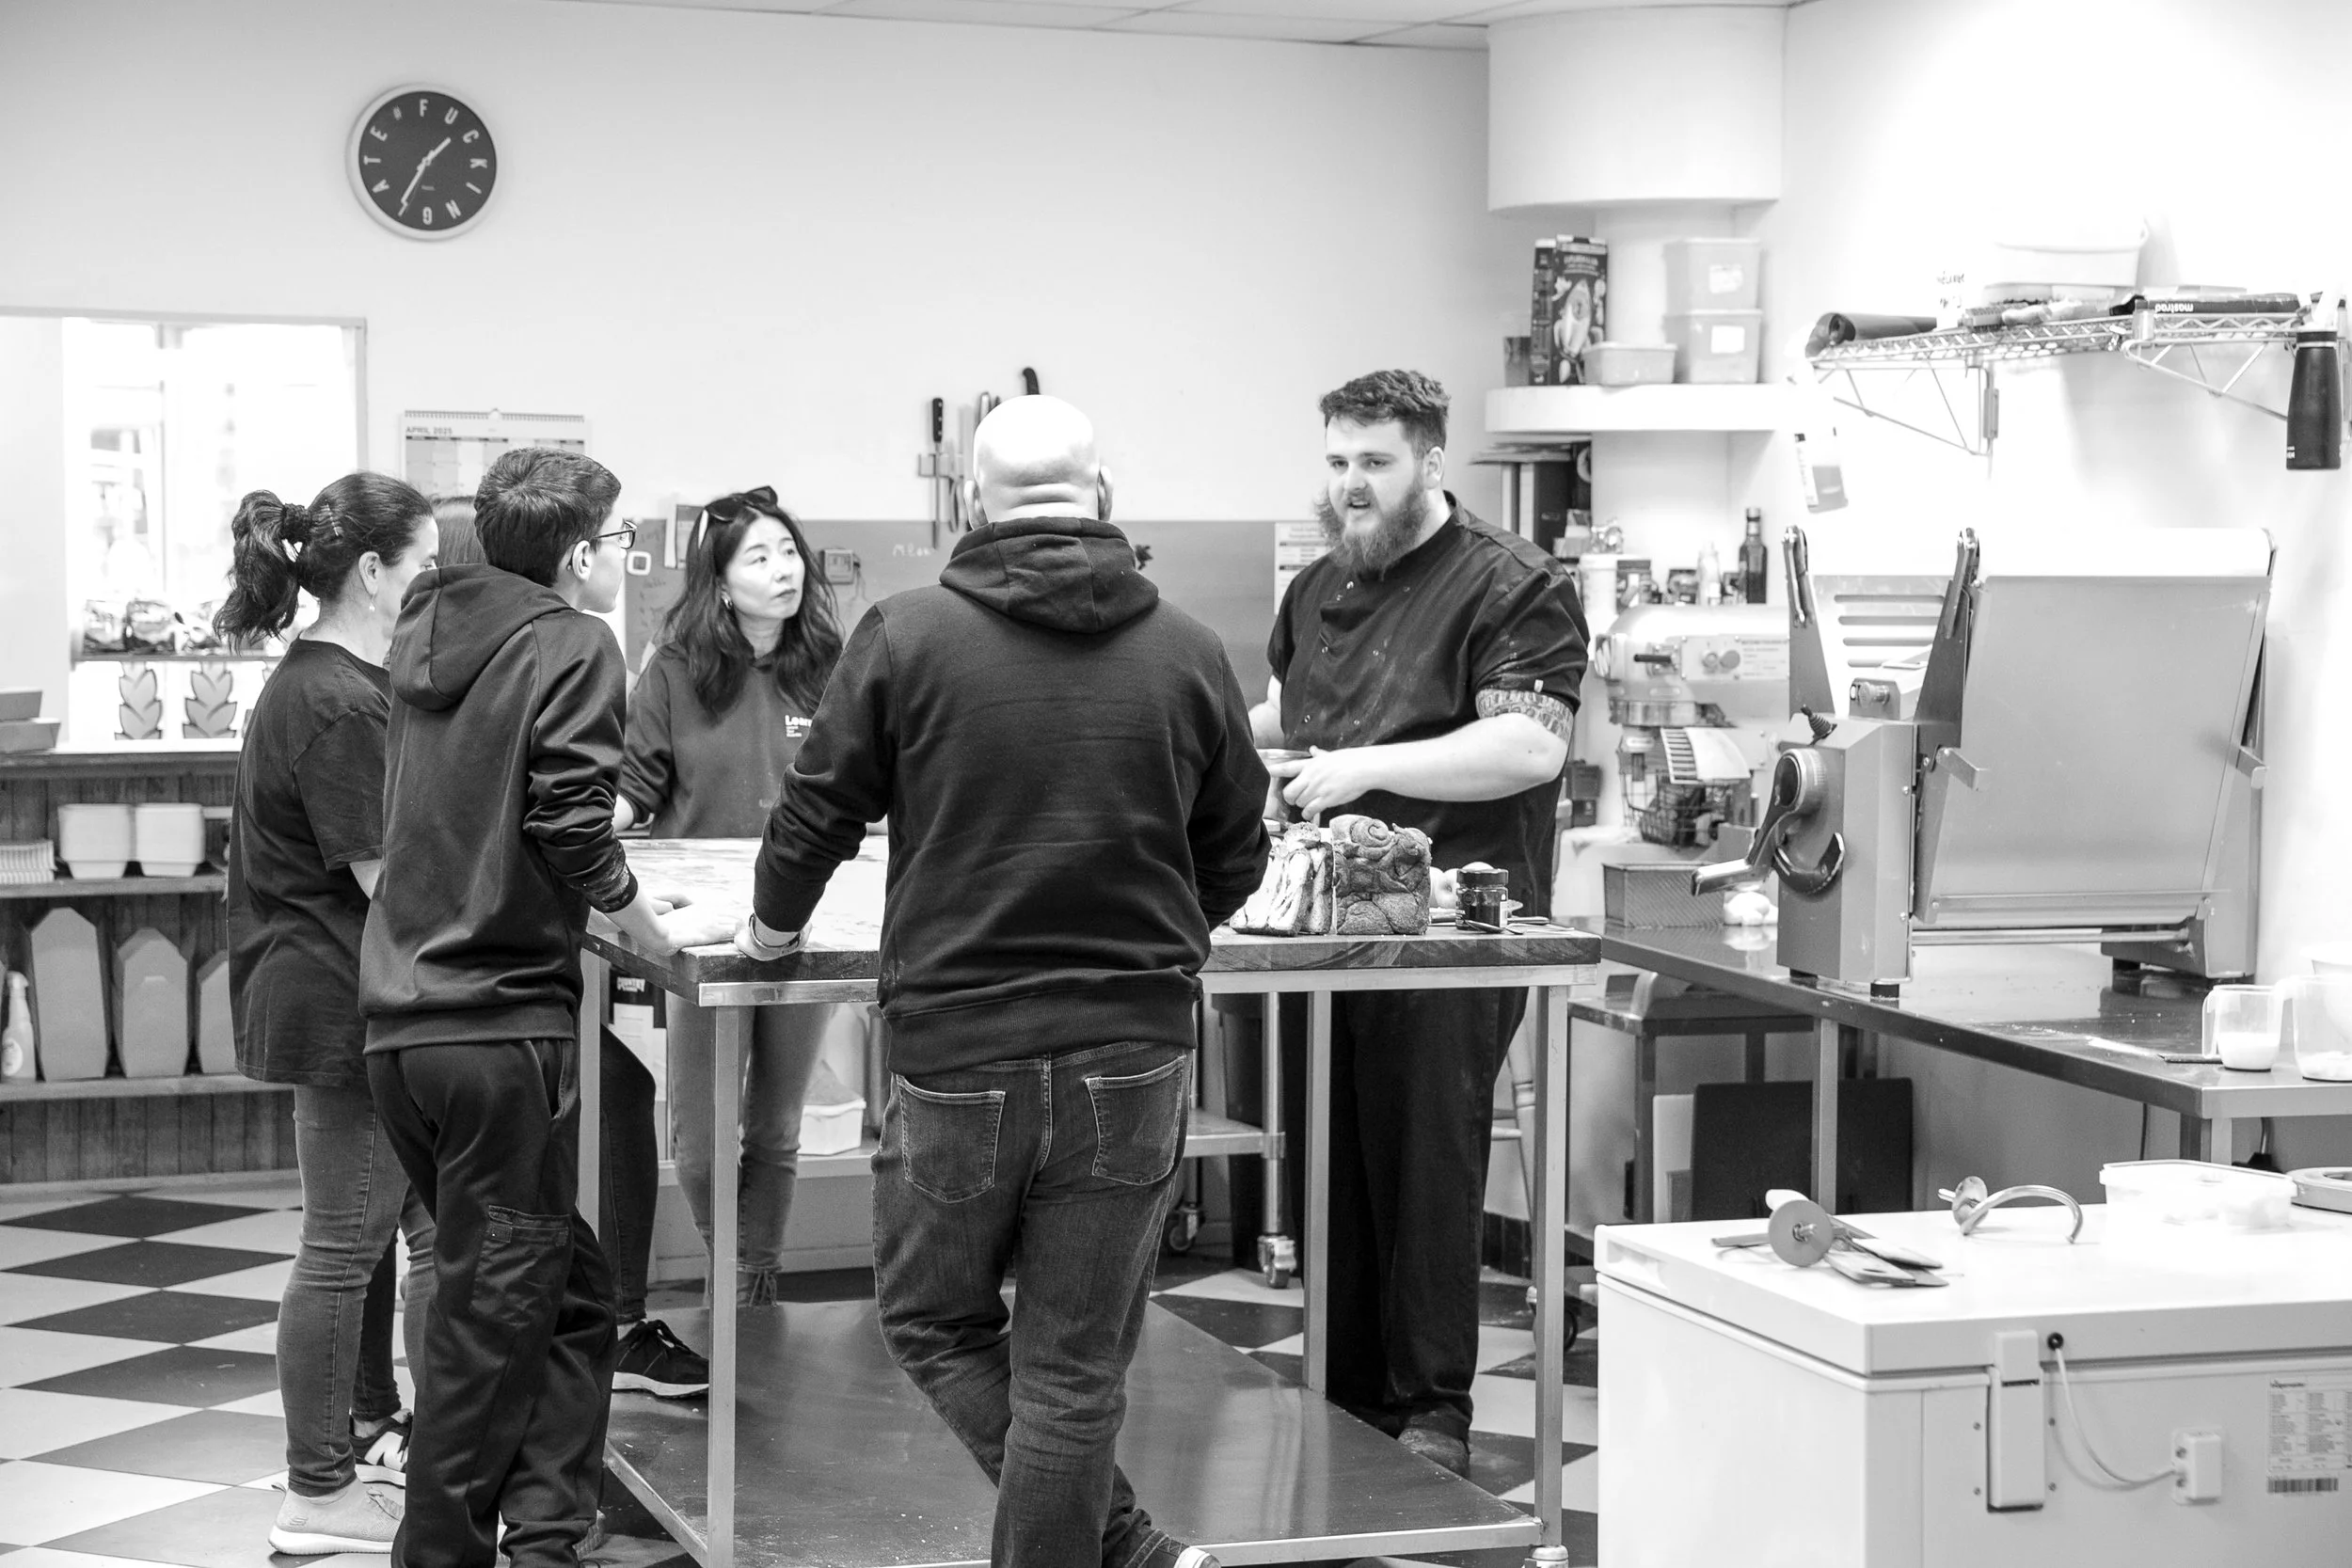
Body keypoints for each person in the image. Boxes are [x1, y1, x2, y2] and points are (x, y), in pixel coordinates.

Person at [740, 396, 1266, 1568]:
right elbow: (1239, 846)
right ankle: (1120, 1540)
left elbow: (812, 814)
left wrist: (771, 938)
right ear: (1105, 492)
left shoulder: (906, 632)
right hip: (1133, 1049)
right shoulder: (1186, 646)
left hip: (957, 1044)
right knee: (1074, 1367)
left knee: (932, 1318)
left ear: (973, 504)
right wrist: (1165, 933)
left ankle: (1119, 1541)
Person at [360, 448, 732, 1568]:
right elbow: (572, 825)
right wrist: (652, 927)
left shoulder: (426, 630)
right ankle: (440, 1554)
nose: (627, 559)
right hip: (495, 1033)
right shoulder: (574, 639)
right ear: (579, 553)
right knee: (485, 1324)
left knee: (569, 1296)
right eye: (618, 540)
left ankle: (549, 1534)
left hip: (406, 1032)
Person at [1252, 369, 1588, 1477]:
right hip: (1316, 922)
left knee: (1424, 1159)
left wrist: (1359, 770)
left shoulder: (1510, 583)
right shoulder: (1317, 588)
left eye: (1375, 463)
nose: (1351, 484)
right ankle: (1344, 1396)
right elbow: (1287, 714)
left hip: (1453, 926)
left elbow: (1528, 746)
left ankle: (1433, 1409)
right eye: (1339, 461)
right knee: (1330, 1154)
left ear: (1431, 463)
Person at [221, 474, 442, 1556]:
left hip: (348, 993)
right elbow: (387, 877)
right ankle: (318, 1494)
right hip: (339, 1001)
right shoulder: (334, 698)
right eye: (427, 562)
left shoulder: (344, 679)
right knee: (342, 1246)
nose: (437, 582)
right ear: (374, 571)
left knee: (404, 1235)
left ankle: (369, 1445)